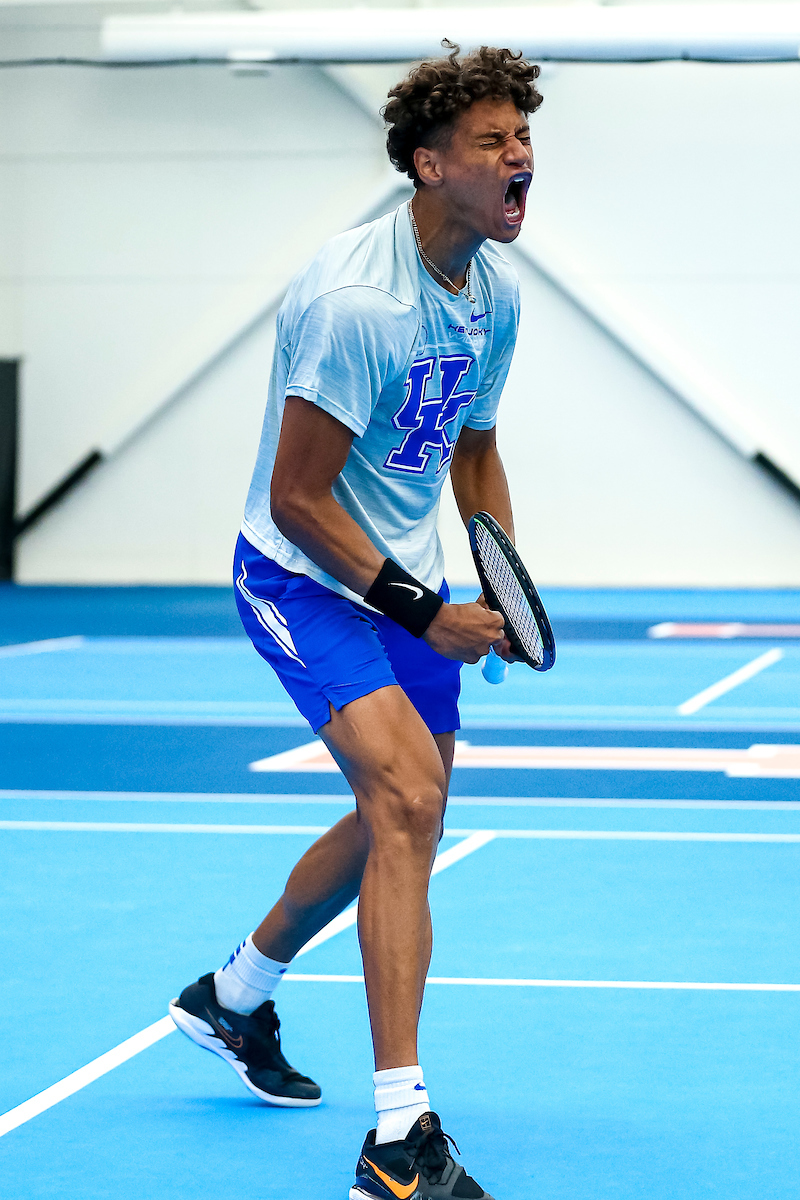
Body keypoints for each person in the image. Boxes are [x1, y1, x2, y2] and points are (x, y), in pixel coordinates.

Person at [169, 42, 542, 1200]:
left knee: (403, 820)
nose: (518, 156)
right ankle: (397, 1140)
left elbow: (473, 449)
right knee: (407, 798)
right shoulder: (355, 302)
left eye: (522, 138)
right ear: (429, 166)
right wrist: (426, 611)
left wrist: (499, 580)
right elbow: (295, 497)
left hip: (409, 579)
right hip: (299, 579)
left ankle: (230, 997)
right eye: (490, 142)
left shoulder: (493, 294)